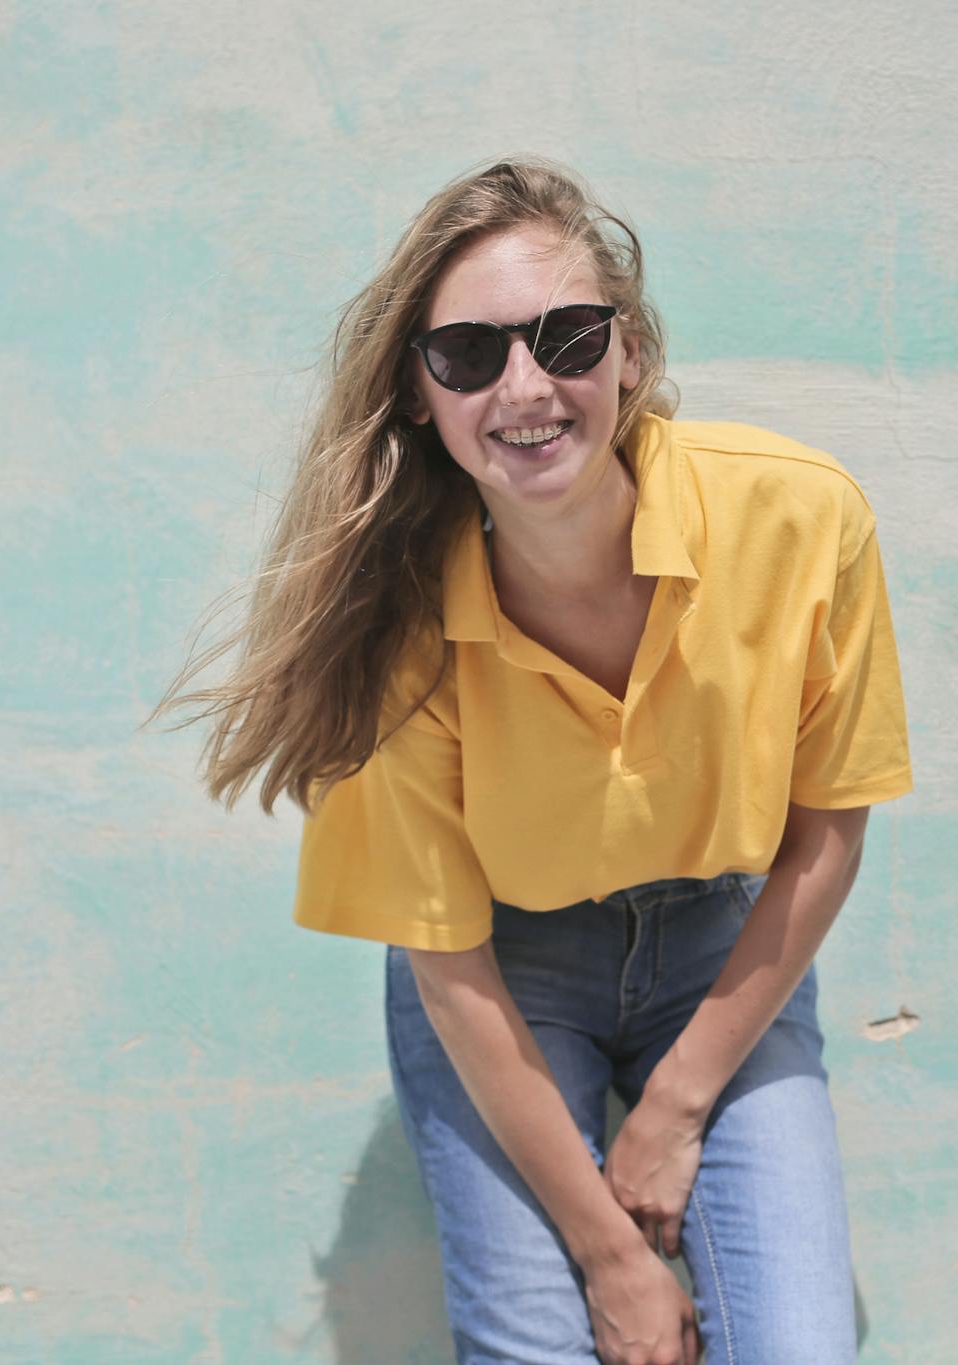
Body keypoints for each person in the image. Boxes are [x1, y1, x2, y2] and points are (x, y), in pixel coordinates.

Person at [154, 157, 912, 1365]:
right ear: (416, 391)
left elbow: (828, 827)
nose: (526, 386)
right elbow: (445, 960)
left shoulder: (801, 518)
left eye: (566, 337)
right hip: (505, 973)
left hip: (726, 949)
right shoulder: (389, 627)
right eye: (468, 355)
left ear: (629, 355)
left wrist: (673, 1107)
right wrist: (617, 1261)